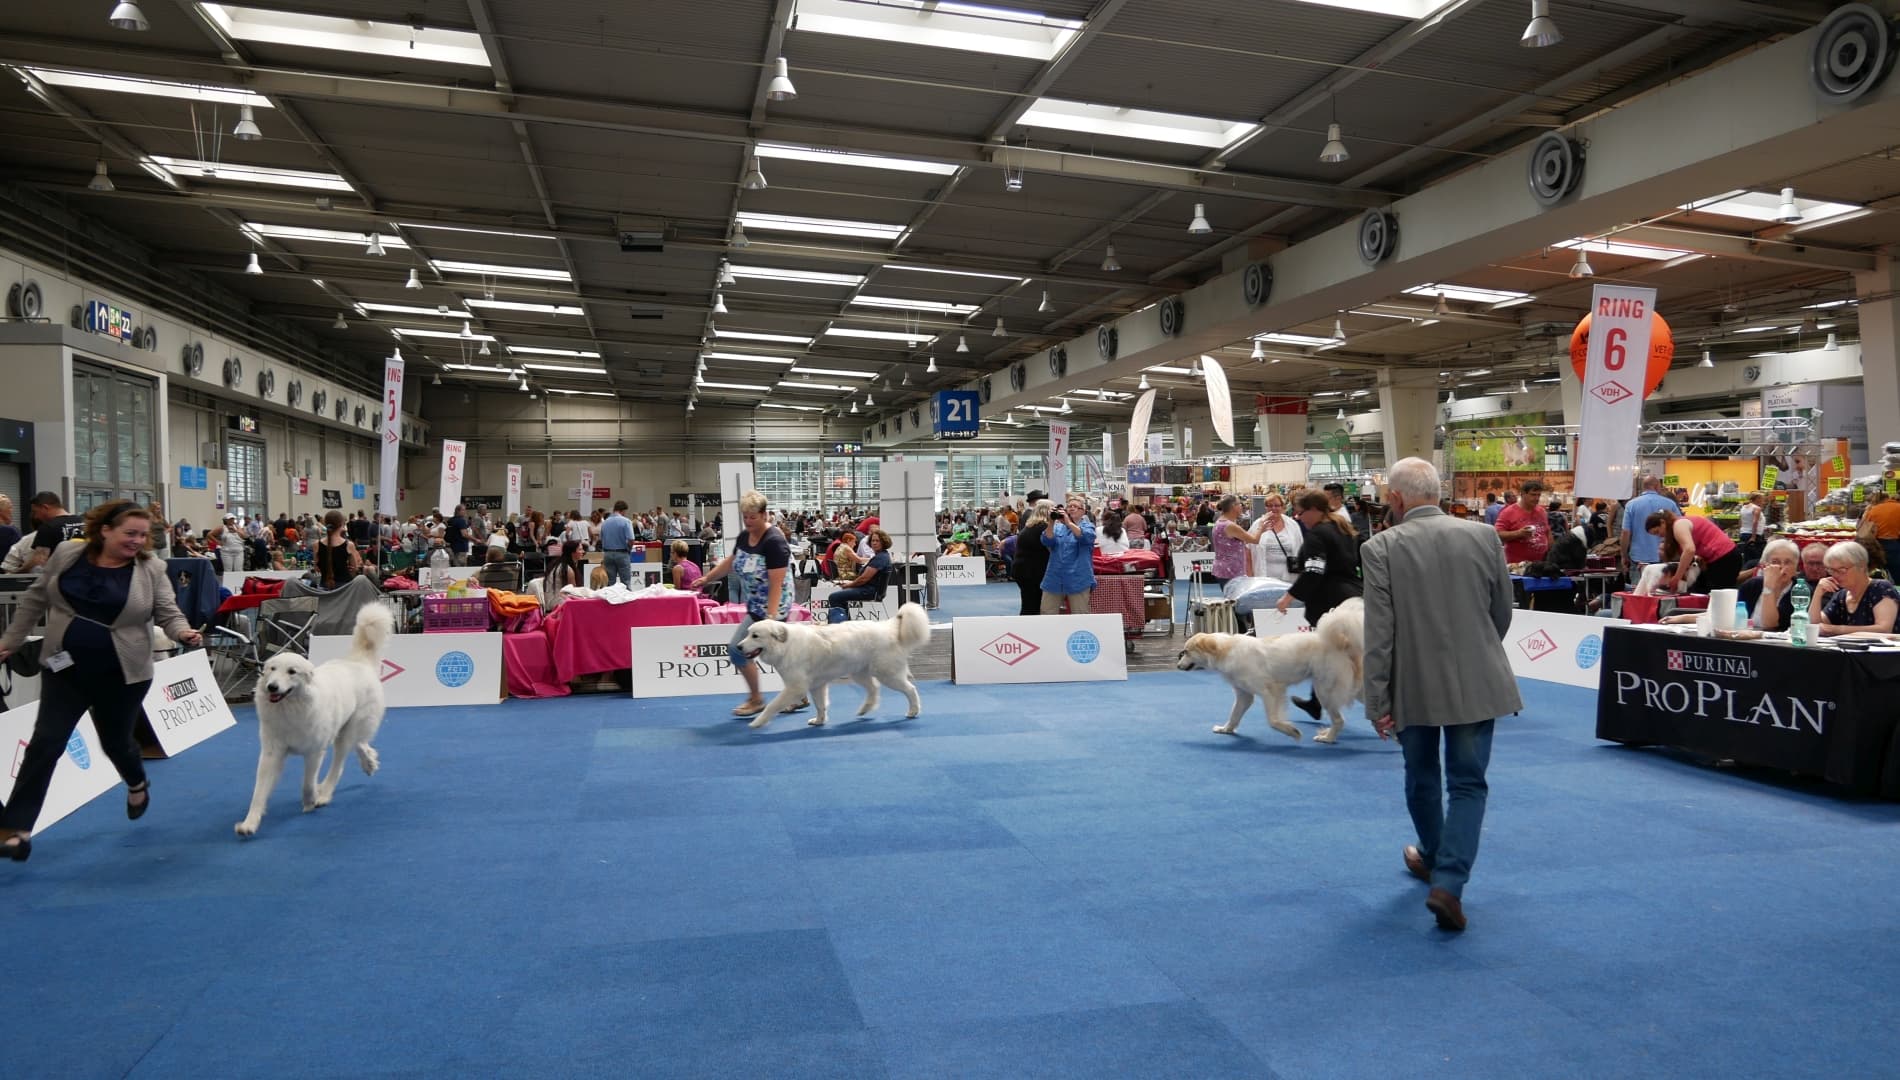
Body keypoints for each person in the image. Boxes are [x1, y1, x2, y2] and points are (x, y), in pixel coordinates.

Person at [1361, 458, 1519, 933]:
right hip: (1480, 678)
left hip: (1415, 683)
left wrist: (1377, 700)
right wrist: (1477, 651)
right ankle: (1447, 881)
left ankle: (1432, 858)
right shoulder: (1484, 535)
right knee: (1469, 784)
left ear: (1395, 498)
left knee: (1422, 776)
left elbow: (1380, 633)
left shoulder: (1380, 547)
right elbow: (1503, 610)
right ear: (1437, 491)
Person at [0, 501, 203, 861]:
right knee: (45, 742)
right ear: (104, 530)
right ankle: (15, 828)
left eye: (143, 535)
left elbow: (168, 612)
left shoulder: (151, 568)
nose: (138, 541)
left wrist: (183, 632)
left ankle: (137, 782)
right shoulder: (66, 553)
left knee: (116, 743)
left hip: (123, 673)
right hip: (65, 669)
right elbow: (35, 600)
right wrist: (9, 643)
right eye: (130, 533)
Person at [693, 491, 792, 718]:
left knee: (737, 650)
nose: (748, 521)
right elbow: (731, 562)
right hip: (755, 604)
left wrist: (771, 618)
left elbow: (777, 584)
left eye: (753, 517)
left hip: (772, 609)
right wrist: (707, 578)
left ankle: (756, 700)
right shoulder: (744, 537)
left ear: (765, 515)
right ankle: (800, 694)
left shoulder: (775, 542)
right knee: (782, 656)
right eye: (745, 517)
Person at [1275, 491, 1365, 718]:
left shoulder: (1317, 534)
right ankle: (1317, 702)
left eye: (1301, 512)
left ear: (1315, 509)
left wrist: (1289, 596)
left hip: (1330, 602)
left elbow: (1314, 571)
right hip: (1354, 596)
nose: (1298, 517)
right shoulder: (1344, 528)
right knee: (1343, 655)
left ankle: (1377, 706)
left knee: (1334, 657)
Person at [1811, 541, 1900, 636]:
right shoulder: (1841, 596)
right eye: (1831, 570)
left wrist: (1837, 630)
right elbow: (1814, 626)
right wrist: (1817, 594)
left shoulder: (1881, 588)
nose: (1835, 575)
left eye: (1841, 570)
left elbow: (1884, 629)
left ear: (1861, 566)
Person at [1647, 509, 1741, 594]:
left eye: (1657, 531)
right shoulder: (1680, 525)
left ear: (1662, 522)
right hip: (1721, 558)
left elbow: (1689, 550)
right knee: (1702, 590)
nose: (1659, 535)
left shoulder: (1679, 525)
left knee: (1719, 595)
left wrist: (1677, 577)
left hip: (1724, 557)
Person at [1039, 494, 1096, 614]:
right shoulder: (1057, 528)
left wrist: (1069, 523)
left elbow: (1086, 537)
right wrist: (1051, 522)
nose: (1071, 508)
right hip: (1054, 578)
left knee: (1080, 614)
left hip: (1079, 578)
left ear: (1083, 511)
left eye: (1076, 506)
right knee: (1046, 613)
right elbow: (1047, 541)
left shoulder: (1088, 526)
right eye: (1069, 506)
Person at [1621, 476, 1680, 585]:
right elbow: (1678, 527)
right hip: (1664, 557)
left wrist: (1624, 555)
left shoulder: (1631, 505)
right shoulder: (1670, 504)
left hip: (1638, 558)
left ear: (1644, 487)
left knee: (1638, 592)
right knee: (1662, 593)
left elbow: (1626, 532)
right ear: (1657, 486)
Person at [828, 528, 894, 623]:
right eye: (872, 540)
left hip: (869, 591)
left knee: (834, 597)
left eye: (877, 541)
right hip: (869, 589)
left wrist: (849, 585)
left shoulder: (880, 558)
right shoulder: (881, 556)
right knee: (839, 597)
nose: (874, 543)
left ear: (884, 542)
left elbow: (864, 579)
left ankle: (839, 626)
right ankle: (845, 624)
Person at [1739, 539, 1802, 630]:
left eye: (1787, 562)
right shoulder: (1752, 585)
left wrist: (1768, 588)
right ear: (1764, 565)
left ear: (1796, 567)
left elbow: (1770, 625)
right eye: (1775, 562)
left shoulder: (1800, 590)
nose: (1782, 567)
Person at [1207, 495, 1260, 588]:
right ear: (1233, 506)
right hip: (1232, 571)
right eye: (1240, 504)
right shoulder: (1230, 526)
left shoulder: (1220, 522)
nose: (1242, 506)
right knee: (1235, 599)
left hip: (1223, 569)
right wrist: (1262, 526)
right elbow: (1255, 540)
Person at [24, 491, 85, 571]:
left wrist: (19, 572)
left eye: (36, 512)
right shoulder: (84, 521)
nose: (36, 517)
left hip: (63, 576)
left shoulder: (48, 527)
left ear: (45, 507)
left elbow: (39, 560)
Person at [1493, 480, 1551, 565]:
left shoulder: (1541, 511)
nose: (1537, 498)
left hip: (1540, 564)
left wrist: (1551, 552)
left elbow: (1547, 532)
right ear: (1523, 494)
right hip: (1517, 566)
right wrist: (1518, 533)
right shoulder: (1508, 512)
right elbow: (1497, 535)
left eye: (1539, 495)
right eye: (1533, 494)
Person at [1011, 500, 1051, 617]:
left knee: (1028, 603)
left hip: (1023, 570)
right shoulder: (1043, 527)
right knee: (1032, 605)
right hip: (1032, 572)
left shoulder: (1030, 526)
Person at [1252, 493, 1303, 582]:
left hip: (1289, 577)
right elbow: (1248, 550)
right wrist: (1250, 577)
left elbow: (1301, 549)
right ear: (1265, 507)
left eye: (1277, 505)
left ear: (1283, 507)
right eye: (1270, 505)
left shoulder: (1292, 525)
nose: (1273, 508)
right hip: (1264, 577)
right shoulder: (1257, 524)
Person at [313, 509, 360, 590]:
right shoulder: (349, 545)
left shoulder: (317, 544)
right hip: (345, 587)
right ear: (342, 524)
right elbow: (354, 569)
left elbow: (316, 568)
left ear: (325, 523)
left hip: (324, 586)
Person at [1859, 489, 1900, 573]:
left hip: (1877, 545)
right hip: (1895, 544)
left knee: (1879, 572)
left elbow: (1865, 528)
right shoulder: (1898, 507)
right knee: (1896, 572)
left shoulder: (1874, 510)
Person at [600, 500, 634, 588]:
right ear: (623, 510)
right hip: (622, 553)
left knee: (610, 583)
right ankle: (626, 600)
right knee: (625, 582)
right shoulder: (626, 521)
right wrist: (629, 549)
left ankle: (611, 601)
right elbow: (631, 539)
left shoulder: (605, 522)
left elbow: (602, 539)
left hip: (607, 554)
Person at [542, 539, 585, 611]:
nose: (583, 552)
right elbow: (573, 593)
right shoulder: (567, 570)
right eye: (580, 549)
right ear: (572, 552)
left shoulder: (558, 564)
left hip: (550, 600)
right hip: (558, 603)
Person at [1738, 491, 1767, 560]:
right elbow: (1755, 522)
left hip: (1744, 533)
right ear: (1757, 499)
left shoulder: (1744, 507)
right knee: (1755, 558)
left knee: (1747, 556)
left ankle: (1745, 569)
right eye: (1762, 499)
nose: (1763, 501)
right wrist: (1753, 537)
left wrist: (1741, 531)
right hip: (1754, 535)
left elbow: (1740, 520)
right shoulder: (1756, 508)